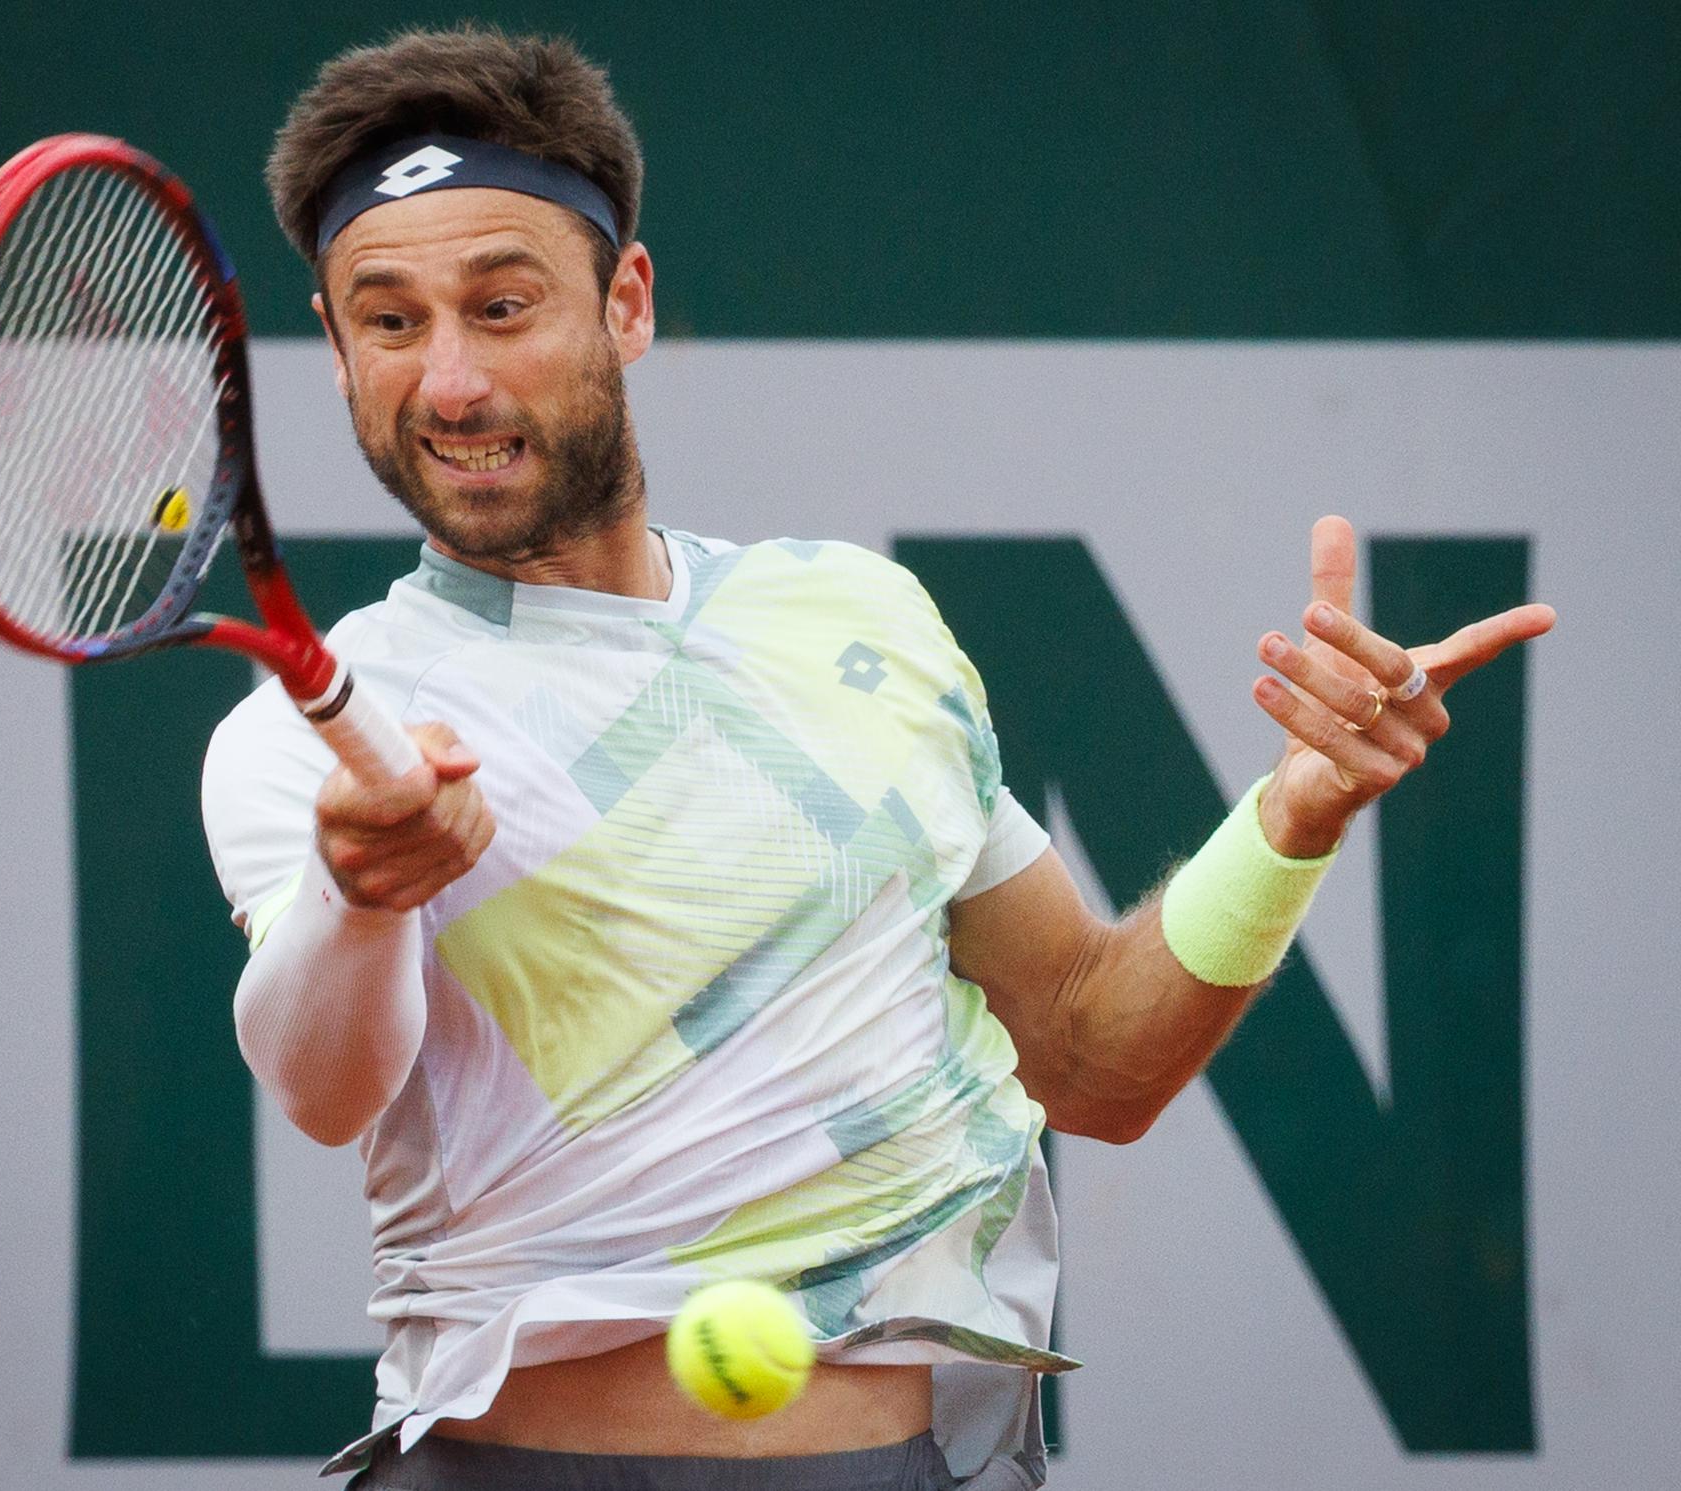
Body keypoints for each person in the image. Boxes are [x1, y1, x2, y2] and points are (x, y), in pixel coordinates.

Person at [200, 25, 1555, 1491]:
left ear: (626, 302)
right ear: (337, 348)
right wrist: (360, 893)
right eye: (391, 323)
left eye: (503, 306)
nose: (451, 382)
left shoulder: (856, 615)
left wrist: (1293, 817)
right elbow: (325, 1092)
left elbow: (1092, 1058)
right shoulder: (303, 739)